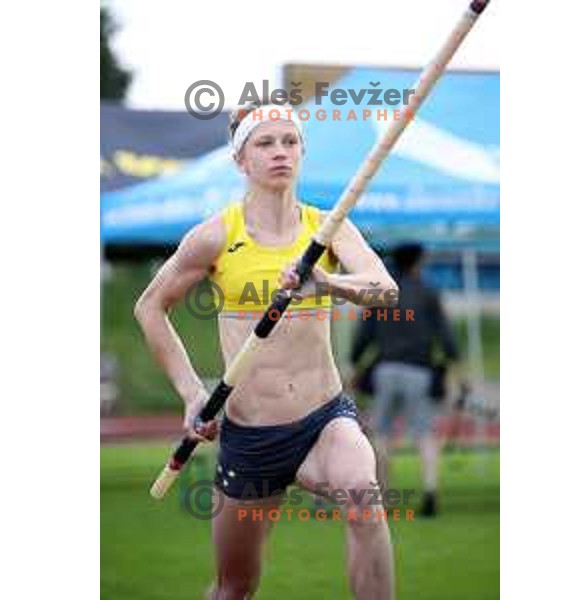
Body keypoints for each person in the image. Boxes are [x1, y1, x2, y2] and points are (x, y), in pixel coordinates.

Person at [134, 103, 399, 600]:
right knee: (236, 586)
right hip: (251, 438)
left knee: (364, 495)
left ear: (302, 151)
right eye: (265, 143)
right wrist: (192, 394)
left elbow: (386, 290)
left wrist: (327, 284)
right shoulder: (216, 236)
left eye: (290, 142)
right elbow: (150, 308)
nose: (280, 152)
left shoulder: (328, 228)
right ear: (241, 161)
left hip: (324, 419)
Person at [350, 243, 465, 517]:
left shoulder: (381, 292)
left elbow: (364, 335)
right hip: (419, 370)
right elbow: (445, 335)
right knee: (425, 434)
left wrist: (355, 364)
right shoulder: (429, 292)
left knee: (382, 435)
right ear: (417, 262)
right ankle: (430, 491)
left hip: (385, 370)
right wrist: (455, 365)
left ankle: (384, 497)